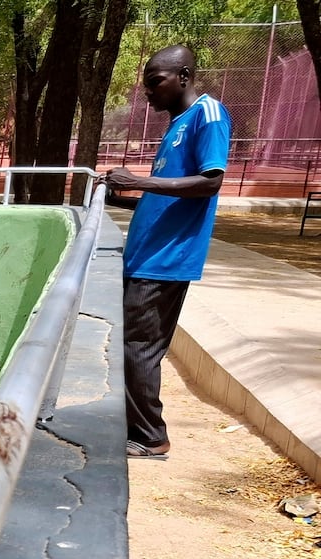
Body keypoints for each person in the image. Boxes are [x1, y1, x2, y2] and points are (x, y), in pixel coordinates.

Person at [106, 44, 231, 459]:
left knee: (139, 347)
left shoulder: (208, 115)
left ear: (183, 75)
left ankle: (149, 436)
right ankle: (135, 427)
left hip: (166, 260)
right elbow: (166, 196)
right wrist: (121, 197)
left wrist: (139, 181)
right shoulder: (177, 123)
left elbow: (209, 183)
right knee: (131, 344)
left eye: (155, 82)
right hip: (145, 255)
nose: (148, 92)